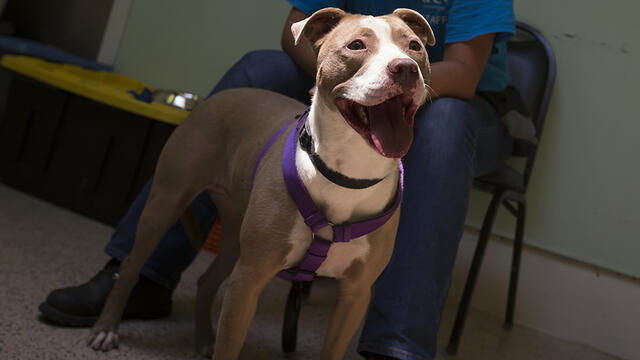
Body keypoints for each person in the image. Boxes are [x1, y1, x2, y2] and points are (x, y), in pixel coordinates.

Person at [39, 1, 515, 359]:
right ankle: (142, 275)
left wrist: (390, 82)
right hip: (351, 73)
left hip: (457, 104)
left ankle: (397, 344)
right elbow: (295, 33)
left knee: (447, 124)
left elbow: (465, 72)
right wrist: (336, 80)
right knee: (259, 67)